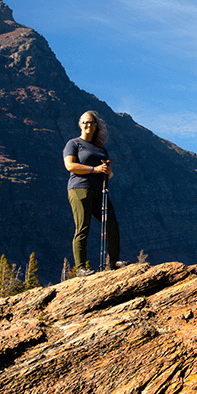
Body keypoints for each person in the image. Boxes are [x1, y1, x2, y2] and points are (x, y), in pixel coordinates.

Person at [63, 110, 123, 275]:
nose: (88, 125)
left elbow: (109, 173)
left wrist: (106, 171)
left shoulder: (101, 149)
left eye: (91, 122)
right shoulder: (74, 144)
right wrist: (95, 169)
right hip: (79, 189)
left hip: (100, 191)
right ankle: (80, 268)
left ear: (96, 125)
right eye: (85, 122)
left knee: (111, 223)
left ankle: (114, 261)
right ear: (80, 124)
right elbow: (70, 166)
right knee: (83, 227)